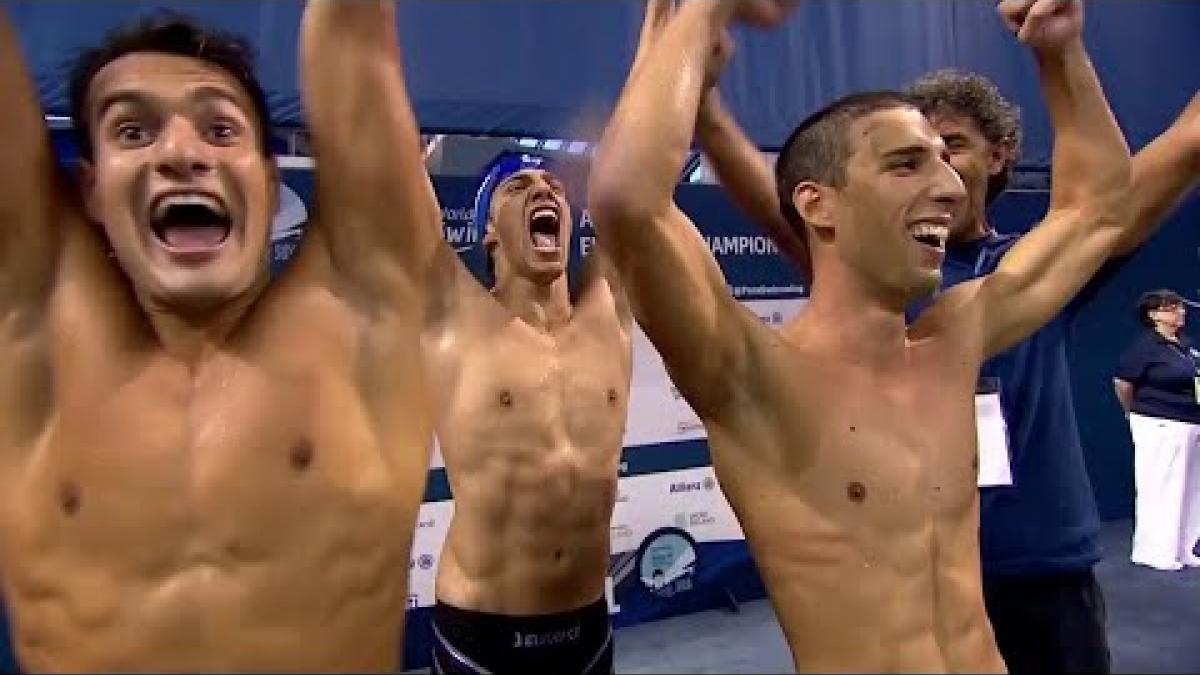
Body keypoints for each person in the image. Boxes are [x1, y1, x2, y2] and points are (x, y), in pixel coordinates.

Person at [588, 0, 1132, 670]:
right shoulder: (753, 377)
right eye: (907, 164)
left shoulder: (955, 339)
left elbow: (1097, 208)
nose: (950, 187)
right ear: (817, 204)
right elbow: (627, 202)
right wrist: (701, 15)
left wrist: (1059, 51)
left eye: (944, 159)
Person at [695, 29, 1200, 675]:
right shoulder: (874, 264)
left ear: (1000, 155)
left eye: (950, 147)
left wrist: (1059, 48)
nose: (937, 173)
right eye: (906, 160)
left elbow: (1124, 190)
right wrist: (708, 118)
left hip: (1040, 561)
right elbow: (783, 201)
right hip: (904, 577)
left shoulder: (1016, 277)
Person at [0, 1, 440, 669]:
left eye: (220, 128)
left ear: (268, 179)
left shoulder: (358, 312)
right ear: (90, 188)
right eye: (133, 130)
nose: (180, 152)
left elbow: (354, 28)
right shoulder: (37, 340)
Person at [419, 4, 693, 674]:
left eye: (551, 186)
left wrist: (665, 28)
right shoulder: (455, 314)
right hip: (480, 635)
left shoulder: (608, 308)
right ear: (487, 228)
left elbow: (639, 170)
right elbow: (386, 163)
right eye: (518, 187)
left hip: (586, 628)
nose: (545, 190)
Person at [1114, 290, 1200, 571]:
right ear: (1153, 315)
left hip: (1190, 421)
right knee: (1162, 486)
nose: (1180, 312)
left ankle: (1185, 548)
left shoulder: (1185, 346)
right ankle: (1155, 551)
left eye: (1180, 307)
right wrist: (1133, 412)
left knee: (1191, 488)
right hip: (1159, 421)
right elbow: (1123, 383)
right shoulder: (1145, 348)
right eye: (1172, 308)